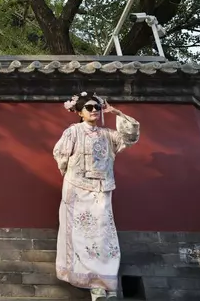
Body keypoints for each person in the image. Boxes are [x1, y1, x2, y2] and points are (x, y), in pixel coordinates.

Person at [53, 92, 140, 301]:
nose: (94, 111)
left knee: (103, 234)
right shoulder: (73, 132)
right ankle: (93, 285)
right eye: (89, 108)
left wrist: (117, 112)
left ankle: (105, 282)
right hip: (76, 190)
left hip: (102, 189)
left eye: (97, 108)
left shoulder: (109, 135)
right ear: (80, 113)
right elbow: (60, 154)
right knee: (79, 234)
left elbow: (131, 136)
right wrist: (72, 173)